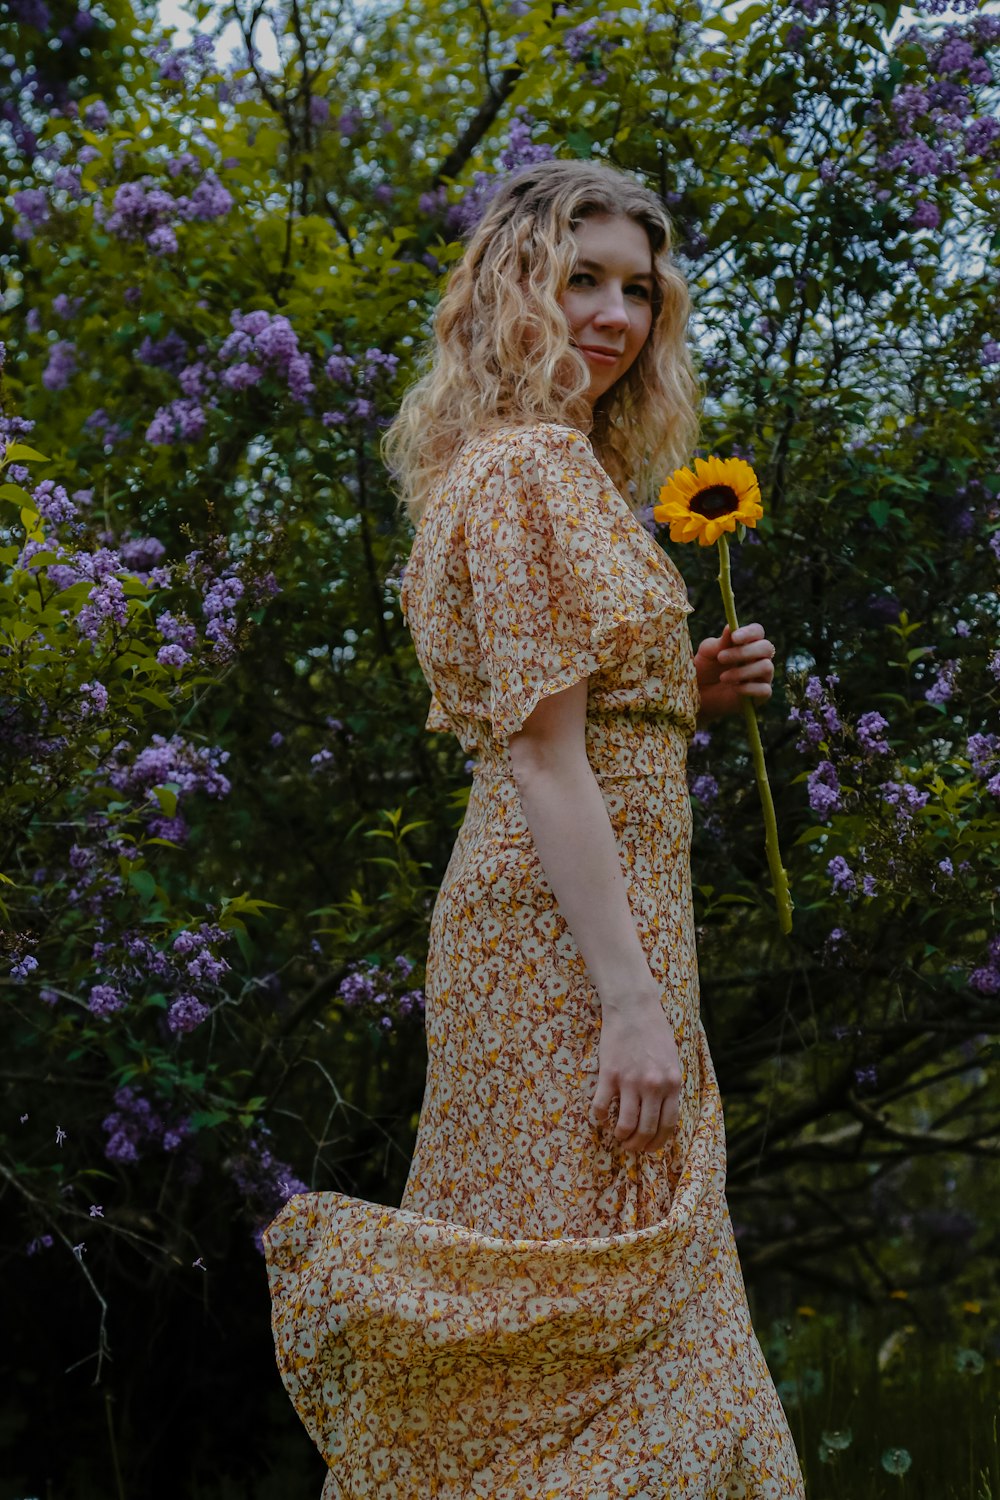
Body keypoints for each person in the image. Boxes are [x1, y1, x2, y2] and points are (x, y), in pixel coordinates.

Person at [264, 158, 807, 1499]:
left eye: (638, 286)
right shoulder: (531, 474)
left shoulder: (516, 470)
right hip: (569, 949)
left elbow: (567, 729)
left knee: (600, 1288)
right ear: (516, 288)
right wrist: (630, 1004)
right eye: (581, 279)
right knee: (587, 1292)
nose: (616, 314)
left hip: (580, 921)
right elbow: (541, 757)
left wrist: (679, 693)